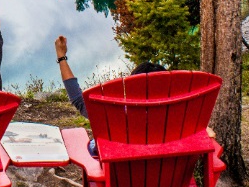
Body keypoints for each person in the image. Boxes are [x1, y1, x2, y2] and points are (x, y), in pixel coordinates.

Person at [54, 35, 216, 155]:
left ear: (133, 89)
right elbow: (210, 135)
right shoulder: (178, 119)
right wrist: (202, 129)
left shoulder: (115, 115)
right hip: (168, 180)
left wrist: (61, 57)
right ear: (167, 90)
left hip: (121, 181)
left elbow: (78, 99)